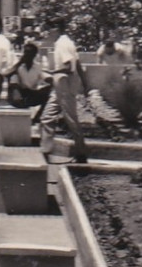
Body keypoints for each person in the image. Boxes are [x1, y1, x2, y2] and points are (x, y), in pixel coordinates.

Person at [40, 21, 90, 164]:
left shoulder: (62, 43)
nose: (47, 33)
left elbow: (68, 65)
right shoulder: (67, 42)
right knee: (47, 116)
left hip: (64, 80)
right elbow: (78, 63)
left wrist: (51, 73)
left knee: (70, 118)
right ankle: (45, 151)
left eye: (49, 29)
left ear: (56, 29)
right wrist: (85, 83)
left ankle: (81, 153)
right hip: (64, 81)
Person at [7, 40, 50, 118]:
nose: (26, 54)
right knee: (14, 77)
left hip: (31, 94)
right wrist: (20, 62)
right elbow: (7, 74)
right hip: (18, 92)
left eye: (29, 52)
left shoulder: (37, 66)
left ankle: (37, 117)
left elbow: (45, 77)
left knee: (49, 92)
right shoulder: (17, 65)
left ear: (34, 55)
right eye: (25, 52)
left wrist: (51, 81)